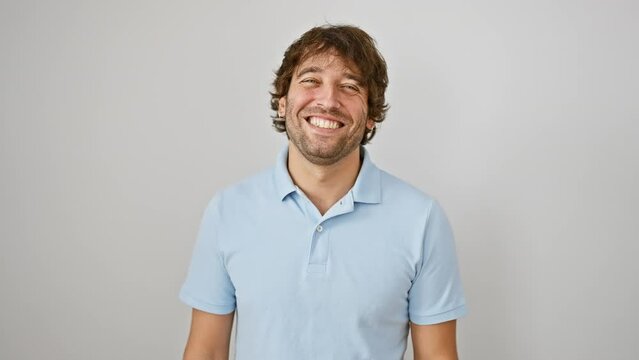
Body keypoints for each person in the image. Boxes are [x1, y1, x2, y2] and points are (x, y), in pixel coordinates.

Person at [180, 24, 467, 360]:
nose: (329, 100)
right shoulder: (227, 210)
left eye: (349, 86)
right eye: (311, 81)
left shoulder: (422, 220)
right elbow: (207, 351)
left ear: (371, 114)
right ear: (283, 103)